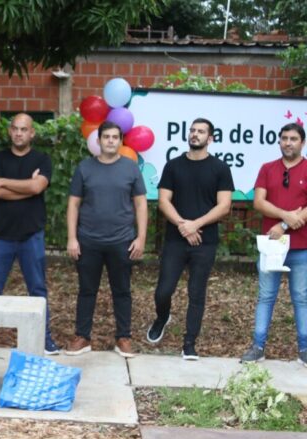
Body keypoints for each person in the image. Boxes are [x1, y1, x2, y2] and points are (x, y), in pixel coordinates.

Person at [146, 118, 234, 360]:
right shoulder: (173, 165)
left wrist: (196, 224)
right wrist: (183, 225)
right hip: (175, 240)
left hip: (205, 242)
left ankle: (189, 343)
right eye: (193, 130)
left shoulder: (220, 168)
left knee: (196, 293)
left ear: (210, 138)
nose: (195, 134)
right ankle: (162, 317)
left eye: (201, 131)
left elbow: (224, 206)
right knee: (163, 291)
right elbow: (163, 201)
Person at [0, 113, 59, 354]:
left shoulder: (42, 159)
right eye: (15, 129)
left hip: (31, 235)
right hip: (1, 235)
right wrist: (27, 188)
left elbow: (37, 187)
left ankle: (44, 339)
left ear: (32, 133)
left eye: (24, 129)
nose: (19, 133)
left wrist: (3, 181)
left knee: (37, 290)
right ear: (10, 131)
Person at [65, 121, 147, 358]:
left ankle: (123, 338)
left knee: (122, 291)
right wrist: (72, 238)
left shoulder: (131, 168)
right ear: (98, 140)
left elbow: (141, 204)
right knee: (86, 290)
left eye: (115, 137)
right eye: (106, 137)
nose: (111, 141)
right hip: (88, 240)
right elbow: (73, 204)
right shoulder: (84, 168)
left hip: (122, 241)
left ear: (120, 141)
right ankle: (82, 337)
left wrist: (141, 238)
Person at [241, 122, 307, 366]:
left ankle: (305, 349)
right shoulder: (267, 168)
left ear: (302, 143)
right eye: (284, 138)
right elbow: (259, 202)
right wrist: (286, 216)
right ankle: (258, 347)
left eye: (293, 139)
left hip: (302, 247)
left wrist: (285, 225)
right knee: (266, 297)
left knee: (301, 298)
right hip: (271, 245)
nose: (288, 143)